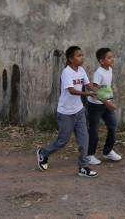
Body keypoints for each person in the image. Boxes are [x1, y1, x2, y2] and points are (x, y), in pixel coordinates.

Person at [36, 46, 99, 178]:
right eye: (79, 55)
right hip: (65, 113)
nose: (82, 58)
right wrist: (89, 94)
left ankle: (83, 167)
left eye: (82, 55)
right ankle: (43, 152)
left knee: (84, 141)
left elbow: (88, 85)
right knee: (62, 141)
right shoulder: (67, 72)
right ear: (71, 59)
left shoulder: (81, 70)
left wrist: (99, 90)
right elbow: (72, 90)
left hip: (79, 111)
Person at [86, 47, 122, 165]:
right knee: (94, 130)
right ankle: (90, 155)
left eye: (112, 57)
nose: (112, 59)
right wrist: (108, 103)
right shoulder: (99, 73)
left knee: (112, 126)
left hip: (105, 103)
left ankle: (108, 151)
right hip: (95, 105)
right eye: (109, 58)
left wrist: (108, 99)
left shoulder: (110, 69)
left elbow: (105, 87)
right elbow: (95, 90)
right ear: (101, 61)